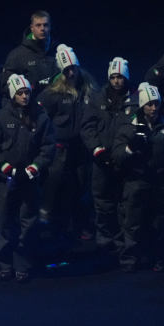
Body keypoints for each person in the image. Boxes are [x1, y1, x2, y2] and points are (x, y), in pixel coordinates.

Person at [0, 73, 55, 282]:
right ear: (13, 95)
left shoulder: (40, 116)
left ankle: (22, 264)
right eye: (20, 93)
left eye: (27, 92)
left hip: (30, 178)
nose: (24, 96)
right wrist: (6, 168)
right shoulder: (0, 117)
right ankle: (4, 263)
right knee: (5, 222)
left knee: (28, 222)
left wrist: (35, 167)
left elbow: (48, 147)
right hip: (6, 179)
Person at [112, 83, 164, 272]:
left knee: (158, 222)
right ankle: (130, 260)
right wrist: (130, 148)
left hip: (160, 181)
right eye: (149, 104)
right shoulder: (129, 127)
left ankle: (157, 258)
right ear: (142, 106)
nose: (153, 108)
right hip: (136, 181)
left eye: (156, 104)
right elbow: (117, 156)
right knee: (133, 223)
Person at [37, 44, 95, 247]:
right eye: (66, 70)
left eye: (73, 68)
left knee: (81, 188)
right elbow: (40, 119)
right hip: (60, 149)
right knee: (57, 189)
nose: (71, 73)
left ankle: (80, 226)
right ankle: (55, 229)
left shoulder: (88, 88)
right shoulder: (52, 94)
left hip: (81, 148)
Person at [80, 57, 135, 256]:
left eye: (120, 77)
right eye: (113, 77)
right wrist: (96, 149)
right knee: (102, 201)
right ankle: (104, 239)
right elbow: (87, 127)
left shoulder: (135, 100)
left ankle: (122, 241)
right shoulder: (98, 98)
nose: (116, 81)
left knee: (123, 202)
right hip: (101, 159)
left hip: (125, 160)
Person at [2, 10, 56, 98]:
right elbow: (6, 87)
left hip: (55, 105)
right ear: (32, 28)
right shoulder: (17, 55)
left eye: (45, 25)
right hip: (30, 105)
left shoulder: (59, 51)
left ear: (50, 27)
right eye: (38, 25)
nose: (42, 28)